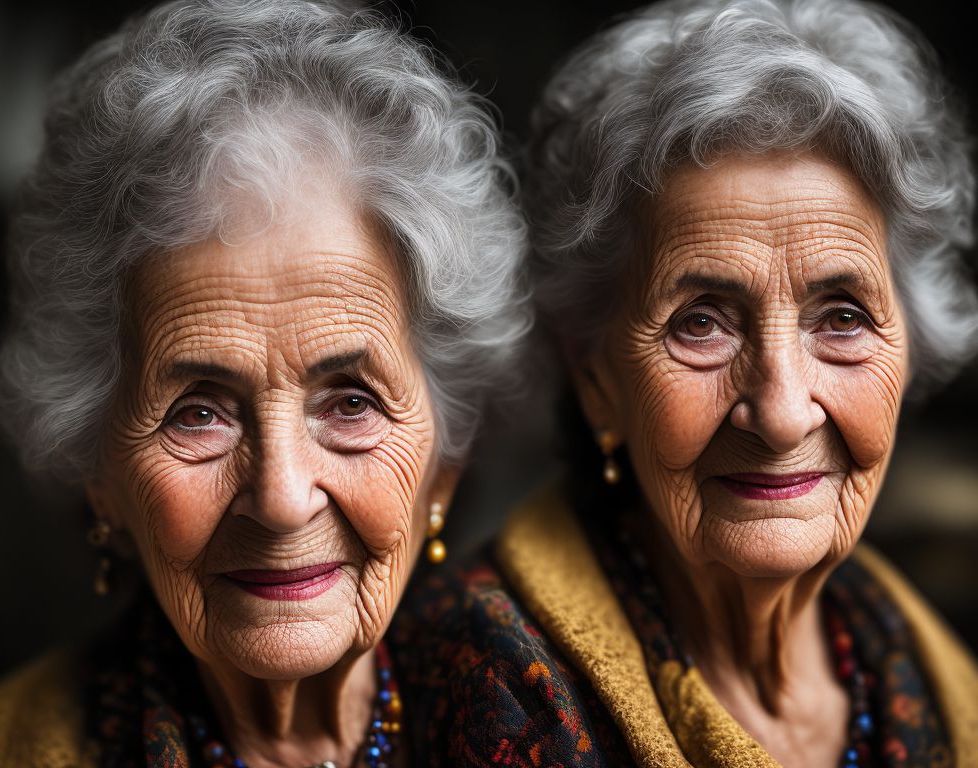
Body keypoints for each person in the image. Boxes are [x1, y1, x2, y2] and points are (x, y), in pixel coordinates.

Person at [389, 0, 978, 765]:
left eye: (841, 317)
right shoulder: (490, 691)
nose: (782, 412)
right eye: (701, 322)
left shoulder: (912, 656)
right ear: (594, 373)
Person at [0, 0, 529, 765]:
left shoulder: (575, 722)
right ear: (100, 476)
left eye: (351, 402)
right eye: (198, 414)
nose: (283, 500)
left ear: (444, 466)